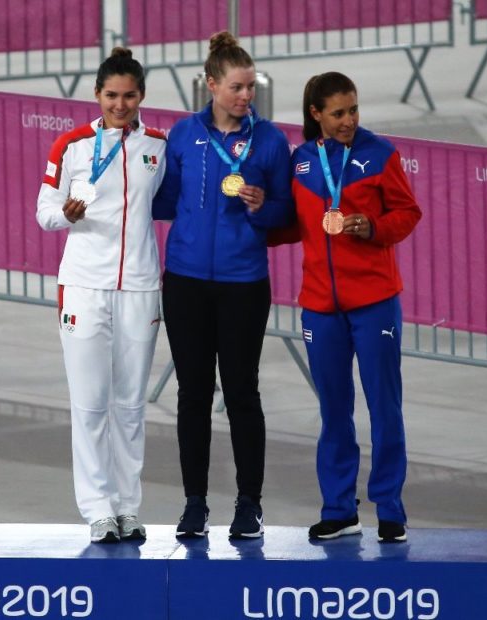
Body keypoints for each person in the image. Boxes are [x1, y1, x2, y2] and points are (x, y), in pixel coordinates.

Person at [270, 71, 421, 543]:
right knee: (334, 410)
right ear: (315, 114)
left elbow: (407, 213)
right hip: (319, 305)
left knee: (384, 406)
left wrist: (370, 227)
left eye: (353, 109)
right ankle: (339, 508)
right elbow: (294, 225)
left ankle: (390, 509)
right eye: (338, 113)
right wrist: (251, 219)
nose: (349, 120)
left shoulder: (380, 154)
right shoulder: (300, 163)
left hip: (374, 302)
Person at [152, 31, 292, 539]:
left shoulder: (271, 140)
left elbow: (286, 210)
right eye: (236, 87)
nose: (246, 96)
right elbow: (163, 200)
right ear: (210, 85)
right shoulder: (183, 136)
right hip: (186, 281)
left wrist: (262, 207)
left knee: (241, 393)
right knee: (191, 394)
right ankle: (194, 503)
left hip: (242, 284)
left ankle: (249, 504)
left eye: (250, 87)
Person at [36, 48, 167, 543]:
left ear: (141, 97)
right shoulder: (69, 145)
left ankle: (129, 506)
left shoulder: (158, 145)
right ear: (96, 95)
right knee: (90, 404)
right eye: (111, 95)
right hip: (84, 287)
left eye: (129, 95)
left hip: (140, 287)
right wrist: (65, 215)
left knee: (131, 406)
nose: (120, 104)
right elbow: (43, 211)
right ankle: (97, 509)